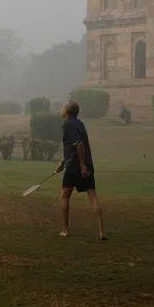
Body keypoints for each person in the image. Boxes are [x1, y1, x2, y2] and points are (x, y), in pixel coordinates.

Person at [53, 101, 106, 240]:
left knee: (64, 195)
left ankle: (65, 230)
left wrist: (81, 165)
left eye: (63, 107)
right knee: (93, 196)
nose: (62, 109)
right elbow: (72, 147)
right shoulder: (79, 123)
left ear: (67, 111)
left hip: (76, 167)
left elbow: (79, 145)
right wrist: (63, 163)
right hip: (85, 165)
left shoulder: (68, 124)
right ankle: (101, 233)